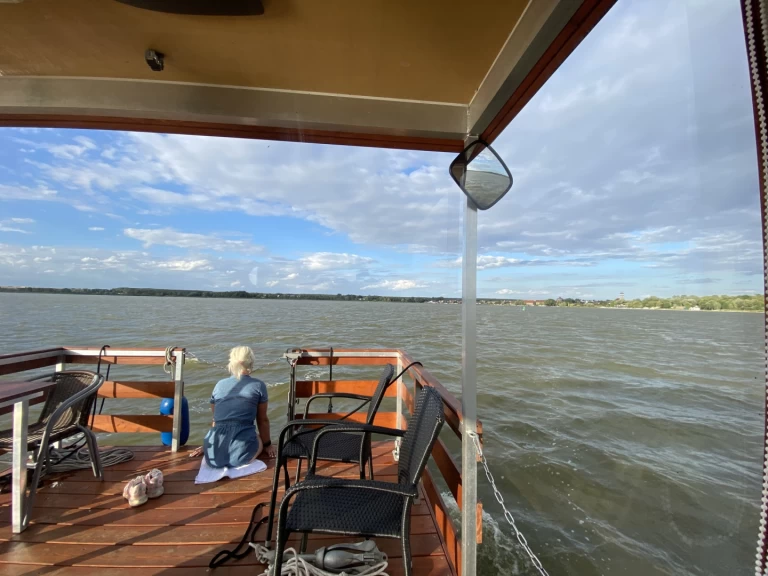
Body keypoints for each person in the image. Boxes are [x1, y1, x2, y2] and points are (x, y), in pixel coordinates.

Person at [191, 346, 277, 466]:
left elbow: (216, 419)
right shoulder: (258, 385)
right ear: (251, 362)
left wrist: (208, 444)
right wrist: (267, 445)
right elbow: (262, 420)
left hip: (212, 456)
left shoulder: (219, 384)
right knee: (258, 438)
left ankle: (213, 447)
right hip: (240, 456)